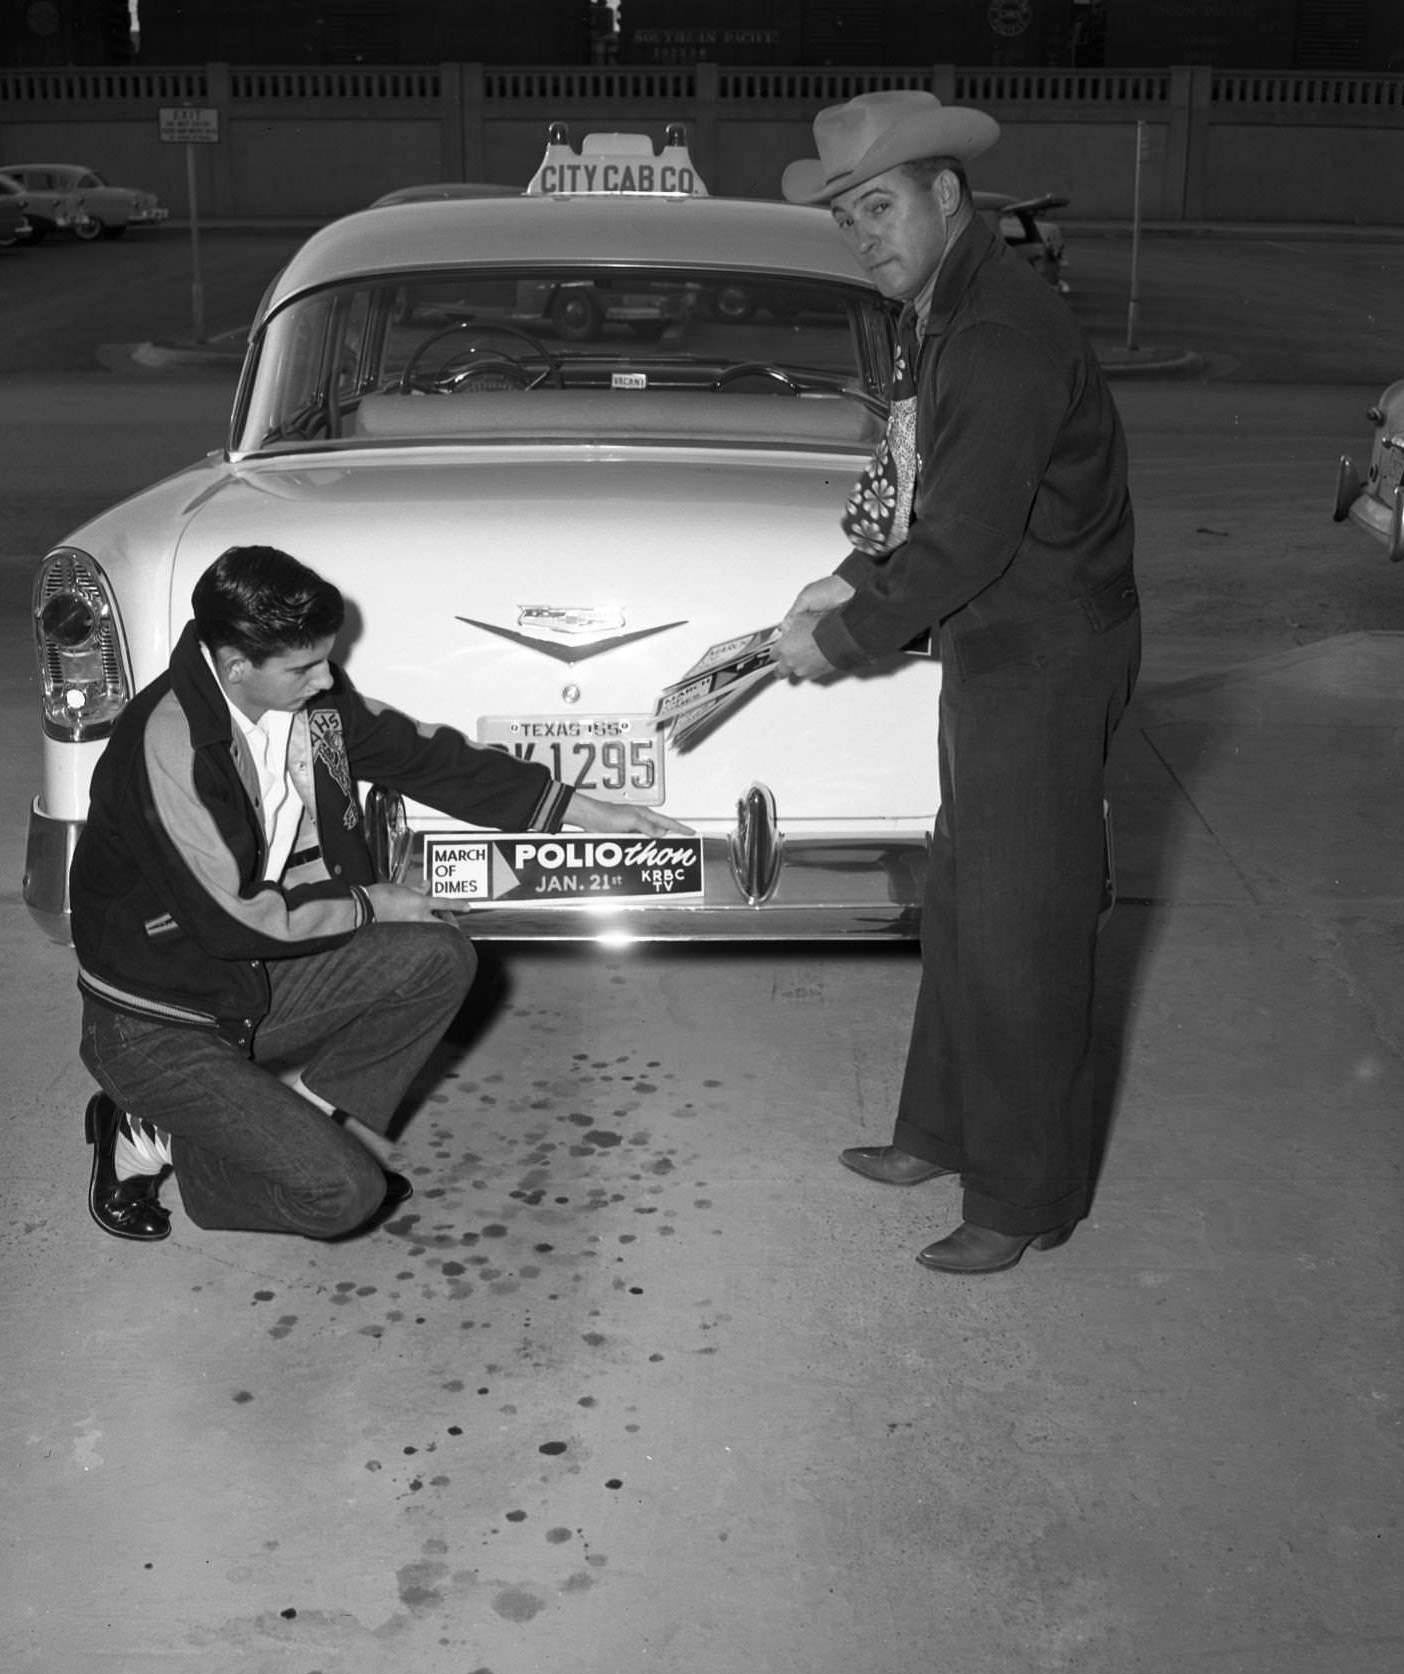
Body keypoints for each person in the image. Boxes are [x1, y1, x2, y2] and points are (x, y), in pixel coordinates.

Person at [773, 91, 1140, 1275]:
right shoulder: (940, 306)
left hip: (1043, 654)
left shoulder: (993, 332)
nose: (864, 234)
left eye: (880, 205)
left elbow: (968, 538)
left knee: (1026, 926)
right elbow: (916, 487)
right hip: (996, 645)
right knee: (970, 902)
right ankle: (936, 1131)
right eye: (847, 218)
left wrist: (840, 637)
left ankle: (1027, 1198)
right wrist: (846, 579)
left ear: (947, 196)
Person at [74, 544, 688, 1244]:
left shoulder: (314, 708)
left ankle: (277, 1130)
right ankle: (157, 1137)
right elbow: (231, 920)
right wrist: (374, 902)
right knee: (341, 1196)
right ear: (237, 666)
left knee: (438, 957)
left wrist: (595, 814)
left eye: (326, 657)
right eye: (305, 666)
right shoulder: (170, 744)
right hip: (158, 1017)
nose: (327, 677)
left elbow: (433, 760)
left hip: (242, 983)